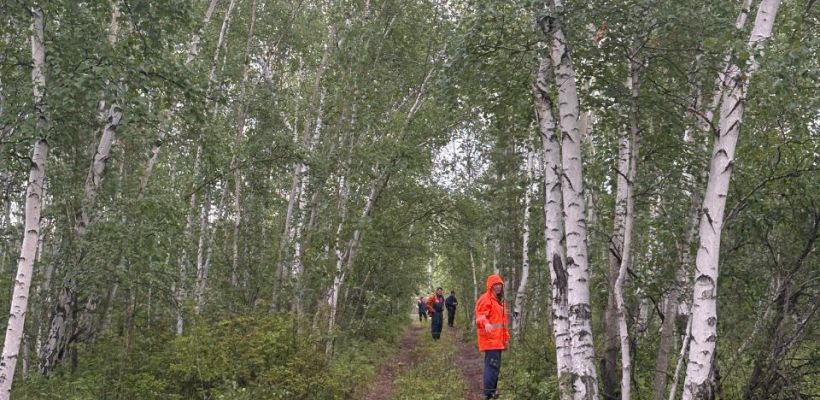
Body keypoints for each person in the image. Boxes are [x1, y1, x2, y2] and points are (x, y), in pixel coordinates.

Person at [475, 274, 509, 399]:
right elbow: (480, 316)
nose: (498, 286)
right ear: (491, 286)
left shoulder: (500, 301)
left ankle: (492, 390)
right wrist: (486, 323)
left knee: (495, 366)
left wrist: (506, 339)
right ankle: (488, 393)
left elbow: (503, 323)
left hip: (498, 340)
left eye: (500, 284)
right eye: (496, 284)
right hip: (490, 340)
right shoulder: (485, 299)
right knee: (492, 365)